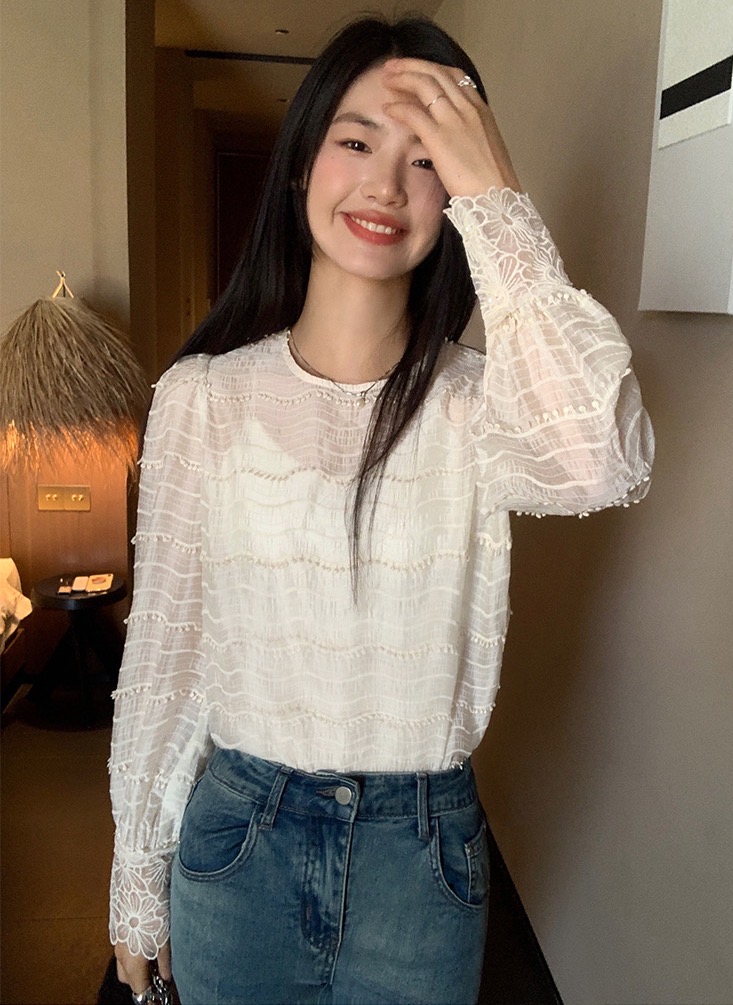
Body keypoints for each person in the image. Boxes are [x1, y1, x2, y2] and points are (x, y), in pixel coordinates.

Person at [109, 14, 654, 1005]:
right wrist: (136, 880)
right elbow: (166, 656)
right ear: (300, 162)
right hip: (238, 843)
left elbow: (599, 462)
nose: (387, 184)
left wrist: (497, 194)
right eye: (357, 141)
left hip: (423, 858)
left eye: (429, 157)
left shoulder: (480, 404)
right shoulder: (202, 398)